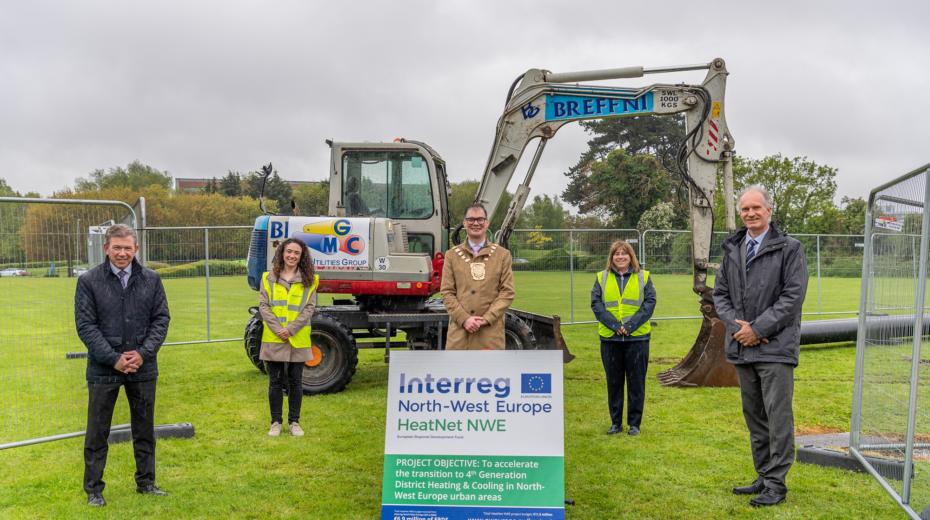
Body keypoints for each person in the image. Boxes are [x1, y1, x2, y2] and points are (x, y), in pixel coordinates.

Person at [713, 185, 808, 507]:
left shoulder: (790, 248)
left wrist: (759, 328)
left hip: (776, 348)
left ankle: (776, 484)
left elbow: (792, 298)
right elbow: (720, 295)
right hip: (742, 347)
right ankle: (763, 474)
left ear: (769, 210)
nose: (750, 213)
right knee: (755, 417)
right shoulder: (733, 249)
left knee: (778, 418)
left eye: (756, 208)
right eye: (745, 209)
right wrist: (738, 328)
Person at [74, 224, 171, 507]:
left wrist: (143, 353)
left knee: (144, 429)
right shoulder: (89, 281)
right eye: (117, 247)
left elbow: (161, 320)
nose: (122, 253)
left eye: (127, 248)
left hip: (143, 367)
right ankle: (94, 489)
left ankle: (147, 483)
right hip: (103, 369)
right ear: (106, 248)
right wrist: (114, 358)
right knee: (97, 431)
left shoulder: (151, 280)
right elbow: (86, 326)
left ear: (136, 249)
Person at [591, 240, 656, 437]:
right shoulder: (601, 277)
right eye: (616, 254)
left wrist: (628, 326)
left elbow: (649, 303)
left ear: (631, 256)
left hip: (637, 339)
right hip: (610, 339)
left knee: (637, 383)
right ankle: (615, 423)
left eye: (624, 253)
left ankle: (634, 424)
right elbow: (596, 304)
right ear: (611, 258)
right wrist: (614, 325)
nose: (620, 257)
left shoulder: (643, 277)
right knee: (614, 383)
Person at [259, 238, 319, 437]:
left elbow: (309, 308)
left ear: (302, 257)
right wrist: (279, 329)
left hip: (297, 338)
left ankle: (294, 422)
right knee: (275, 382)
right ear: (282, 253)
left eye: (297, 253)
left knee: (296, 382)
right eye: (289, 252)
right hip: (274, 338)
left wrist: (291, 329)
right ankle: (275, 422)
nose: (292, 256)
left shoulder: (311, 280)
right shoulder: (267, 278)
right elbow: (264, 306)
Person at [440, 204, 515, 350]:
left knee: (491, 372)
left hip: (490, 335)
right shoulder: (451, 255)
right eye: (471, 219)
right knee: (458, 371)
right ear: (464, 223)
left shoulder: (502, 255)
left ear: (487, 223)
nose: (476, 223)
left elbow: (507, 292)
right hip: (460, 335)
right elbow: (447, 292)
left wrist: (486, 319)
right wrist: (464, 319)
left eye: (480, 219)